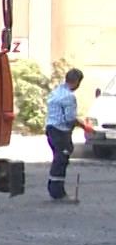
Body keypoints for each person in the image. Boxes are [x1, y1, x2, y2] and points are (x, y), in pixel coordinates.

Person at [45, 68, 96, 201]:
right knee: (61, 160)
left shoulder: (56, 91)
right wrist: (85, 126)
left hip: (50, 129)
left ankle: (54, 189)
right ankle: (58, 193)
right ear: (77, 82)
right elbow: (70, 119)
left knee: (58, 158)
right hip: (61, 131)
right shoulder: (69, 97)